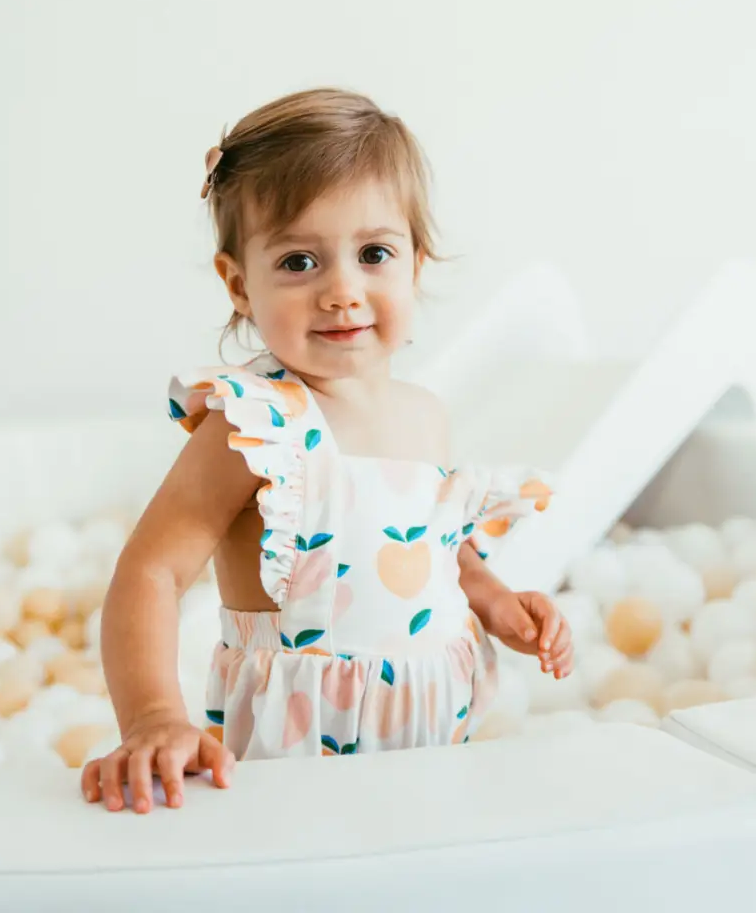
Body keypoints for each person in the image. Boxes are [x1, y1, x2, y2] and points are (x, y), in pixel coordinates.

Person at [82, 88, 573, 814]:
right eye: (298, 262)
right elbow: (151, 570)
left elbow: (433, 539)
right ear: (238, 283)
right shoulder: (254, 426)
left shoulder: (424, 414)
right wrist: (155, 716)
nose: (342, 291)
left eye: (374, 253)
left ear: (416, 265)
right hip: (299, 734)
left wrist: (493, 598)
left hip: (430, 725)